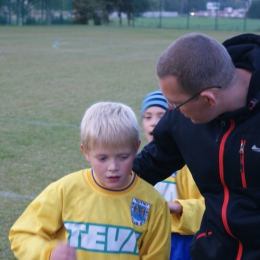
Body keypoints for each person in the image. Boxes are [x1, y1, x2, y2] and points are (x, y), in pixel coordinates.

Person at [133, 33, 260, 259]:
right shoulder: (182, 116)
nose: (169, 110)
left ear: (208, 99)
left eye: (174, 103)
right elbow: (149, 164)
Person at [9, 102, 171, 260]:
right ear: (85, 152)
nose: (113, 167)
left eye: (123, 157)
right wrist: (48, 253)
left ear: (136, 149)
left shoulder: (153, 203)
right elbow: (22, 234)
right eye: (102, 158)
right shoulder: (65, 190)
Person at [141, 90, 205, 260]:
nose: (154, 123)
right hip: (150, 240)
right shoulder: (139, 164)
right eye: (148, 117)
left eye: (161, 116)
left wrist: (177, 207)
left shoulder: (190, 164)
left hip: (183, 242)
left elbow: (209, 208)